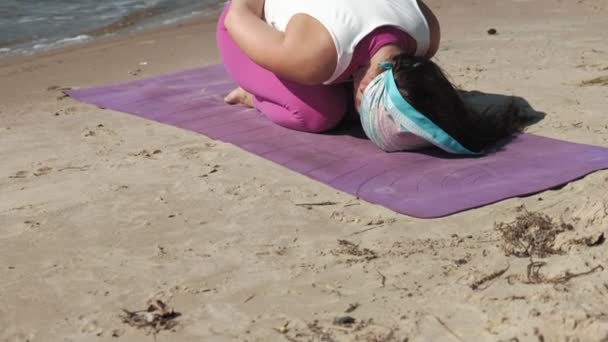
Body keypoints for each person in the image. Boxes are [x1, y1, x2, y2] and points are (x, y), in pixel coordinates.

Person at [216, 0, 522, 155]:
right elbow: (237, 15)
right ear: (363, 87)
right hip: (247, 19)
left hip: (321, 36)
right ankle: (252, 93)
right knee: (317, 116)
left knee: (338, 106)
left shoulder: (427, 34)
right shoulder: (312, 55)